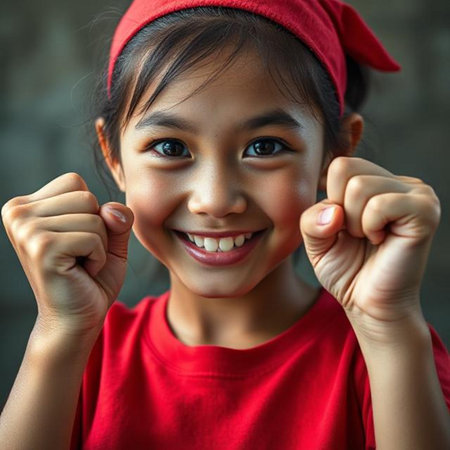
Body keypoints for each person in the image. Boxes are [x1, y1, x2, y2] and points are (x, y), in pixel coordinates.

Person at [1, 0, 449, 448]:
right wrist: (60, 333)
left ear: (334, 155)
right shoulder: (78, 353)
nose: (215, 201)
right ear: (113, 155)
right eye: (171, 148)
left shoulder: (388, 351)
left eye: (266, 147)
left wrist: (387, 326)